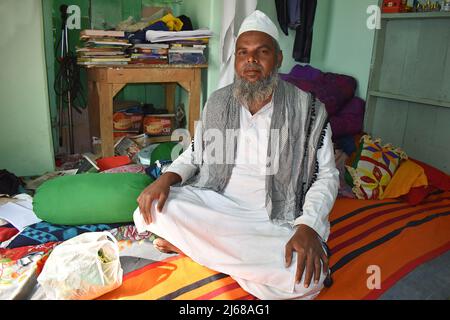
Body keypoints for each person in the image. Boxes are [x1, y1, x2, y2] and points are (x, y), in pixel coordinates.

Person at [134, 10, 339, 300]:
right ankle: (240, 265)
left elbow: (327, 176)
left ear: (278, 59)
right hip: (217, 201)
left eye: (261, 52)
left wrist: (308, 227)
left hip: (276, 216)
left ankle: (198, 249)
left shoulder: (309, 110)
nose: (251, 60)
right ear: (237, 59)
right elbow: (196, 152)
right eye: (243, 53)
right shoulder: (218, 102)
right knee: (152, 208)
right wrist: (165, 180)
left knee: (308, 281)